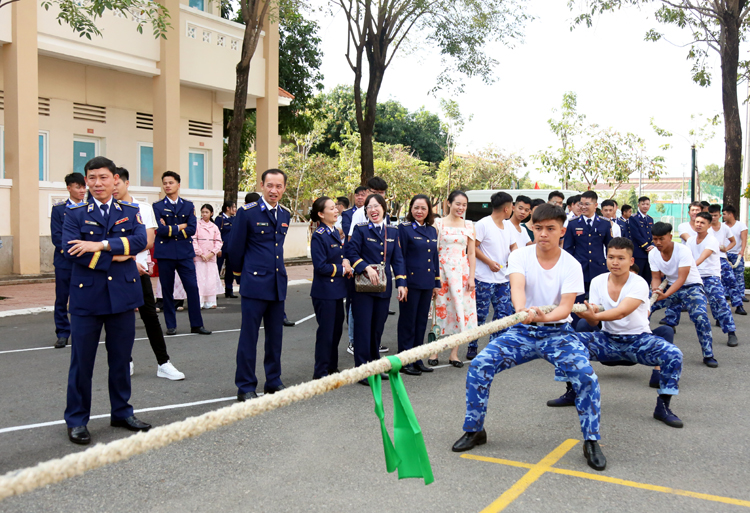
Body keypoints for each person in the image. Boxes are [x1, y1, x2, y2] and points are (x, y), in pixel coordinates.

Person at [452, 204, 606, 472]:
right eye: (538, 228)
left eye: (550, 229)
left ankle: (591, 440)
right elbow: (517, 289)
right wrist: (523, 312)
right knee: (480, 366)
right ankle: (475, 429)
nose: (543, 234)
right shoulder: (520, 256)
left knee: (586, 378)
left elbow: (565, 308)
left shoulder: (571, 264)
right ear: (531, 228)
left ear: (562, 231)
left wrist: (539, 317)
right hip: (522, 331)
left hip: (558, 333)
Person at [546, 238, 684, 428]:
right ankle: (572, 391)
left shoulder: (639, 283)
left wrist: (595, 314)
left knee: (673, 354)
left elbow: (622, 312)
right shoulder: (597, 281)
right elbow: (595, 321)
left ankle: (663, 408)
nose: (615, 262)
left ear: (631, 261)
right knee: (565, 342)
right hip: (607, 339)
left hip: (638, 340)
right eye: (611, 257)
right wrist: (587, 315)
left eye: (621, 258)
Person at [62, 157, 151, 445]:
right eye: (92, 178)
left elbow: (141, 241)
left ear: (116, 180)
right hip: (87, 298)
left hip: (122, 298)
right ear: (86, 181)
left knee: (121, 360)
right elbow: (72, 251)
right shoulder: (74, 214)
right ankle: (77, 420)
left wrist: (100, 245)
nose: (97, 183)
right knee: (82, 363)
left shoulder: (130, 209)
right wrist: (118, 254)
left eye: (103, 177)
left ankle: (122, 412)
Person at [112, 168, 185, 381]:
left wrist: (131, 258)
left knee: (150, 317)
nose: (114, 188)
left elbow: (148, 241)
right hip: (115, 271)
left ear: (126, 183)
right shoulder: (108, 210)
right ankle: (126, 360)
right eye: (111, 185)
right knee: (120, 319)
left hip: (140, 271)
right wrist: (129, 258)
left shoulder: (142, 208)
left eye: (118, 184)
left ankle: (164, 363)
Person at [229, 169, 292, 401]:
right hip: (254, 283)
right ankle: (245, 386)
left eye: (278, 186)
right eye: (269, 185)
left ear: (284, 188)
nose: (274, 190)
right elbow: (235, 248)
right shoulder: (247, 212)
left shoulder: (285, 214)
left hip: (277, 284)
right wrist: (239, 274)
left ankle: (273, 381)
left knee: (275, 338)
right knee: (249, 337)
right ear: (262, 186)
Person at [345, 193, 407, 386]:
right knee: (363, 329)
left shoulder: (392, 231)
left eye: (376, 206)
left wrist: (402, 283)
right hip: (363, 288)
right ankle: (362, 371)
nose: (373, 210)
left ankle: (375, 367)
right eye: (369, 207)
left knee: (376, 329)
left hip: (382, 288)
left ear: (383, 209)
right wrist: (365, 266)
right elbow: (350, 252)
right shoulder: (360, 230)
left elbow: (397, 259)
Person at [649, 222, 717, 367]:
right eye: (655, 239)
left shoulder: (683, 250)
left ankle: (708, 354)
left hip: (691, 286)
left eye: (661, 239)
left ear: (670, 236)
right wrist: (656, 291)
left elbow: (682, 278)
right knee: (643, 307)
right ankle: (637, 343)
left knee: (700, 317)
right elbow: (655, 277)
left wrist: (665, 295)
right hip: (670, 286)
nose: (658, 242)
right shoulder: (653, 253)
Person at [152, 171, 211, 336]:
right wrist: (180, 226)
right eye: (165, 183)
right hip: (165, 254)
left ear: (178, 184)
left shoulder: (188, 205)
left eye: (171, 182)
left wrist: (172, 228)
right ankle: (171, 325)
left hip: (185, 253)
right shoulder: (157, 206)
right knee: (167, 290)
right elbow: (161, 230)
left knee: (192, 288)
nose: (167, 186)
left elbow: (192, 229)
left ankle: (197, 324)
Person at [427, 190, 478, 367]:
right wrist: (433, 276)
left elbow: (471, 253)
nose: (461, 208)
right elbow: (432, 251)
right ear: (449, 203)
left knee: (460, 312)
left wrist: (471, 277)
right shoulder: (437, 223)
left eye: (464, 205)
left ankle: (454, 354)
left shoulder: (469, 225)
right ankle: (434, 351)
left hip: (462, 274)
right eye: (458, 204)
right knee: (440, 311)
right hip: (442, 272)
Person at [467, 192, 517, 361]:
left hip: (503, 279)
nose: (512, 210)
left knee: (503, 315)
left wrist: (513, 258)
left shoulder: (508, 226)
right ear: (506, 208)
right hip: (483, 279)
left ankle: (494, 348)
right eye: (512, 207)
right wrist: (489, 262)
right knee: (480, 315)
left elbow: (514, 246)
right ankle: (472, 345)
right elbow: (473, 248)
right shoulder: (483, 224)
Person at [397, 195, 441, 375]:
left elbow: (434, 258)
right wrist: (402, 282)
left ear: (429, 210)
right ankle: (405, 360)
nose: (419, 211)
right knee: (408, 322)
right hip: (411, 282)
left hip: (427, 282)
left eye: (423, 208)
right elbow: (401, 258)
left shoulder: (432, 230)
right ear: (410, 209)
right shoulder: (404, 228)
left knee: (421, 322)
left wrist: (436, 282)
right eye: (416, 208)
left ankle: (417, 358)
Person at [310, 196, 353, 379]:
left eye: (336, 207)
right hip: (324, 292)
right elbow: (320, 266)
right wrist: (342, 269)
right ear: (321, 214)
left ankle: (332, 366)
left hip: (336, 291)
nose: (336, 211)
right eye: (331, 208)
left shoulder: (335, 231)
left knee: (335, 331)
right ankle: (320, 371)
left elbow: (339, 255)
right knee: (326, 333)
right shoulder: (319, 235)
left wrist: (345, 260)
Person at [686, 212, 739, 347]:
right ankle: (670, 323)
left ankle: (731, 332)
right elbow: (686, 257)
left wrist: (688, 267)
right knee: (678, 299)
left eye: (702, 223)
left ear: (709, 225)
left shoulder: (712, 240)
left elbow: (701, 258)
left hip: (710, 277)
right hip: (695, 276)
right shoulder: (691, 240)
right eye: (697, 222)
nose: (699, 225)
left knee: (719, 302)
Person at [51, 172, 87, 348]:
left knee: (83, 297)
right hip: (65, 262)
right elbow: (57, 238)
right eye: (78, 187)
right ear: (69, 188)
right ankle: (63, 332)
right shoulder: (59, 210)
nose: (82, 190)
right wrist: (75, 251)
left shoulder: (89, 208)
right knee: (62, 298)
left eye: (83, 187)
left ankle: (83, 331)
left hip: (85, 261)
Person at [563, 190, 613, 300]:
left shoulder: (604, 223)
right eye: (581, 204)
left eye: (587, 204)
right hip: (579, 269)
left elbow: (611, 247)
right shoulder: (573, 223)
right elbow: (568, 249)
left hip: (599, 268)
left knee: (598, 302)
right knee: (578, 303)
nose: (583, 207)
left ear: (595, 205)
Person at [343, 187, 368, 355]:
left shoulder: (380, 213)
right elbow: (350, 239)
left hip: (374, 271)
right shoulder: (350, 214)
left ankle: (368, 342)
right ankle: (353, 341)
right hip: (357, 265)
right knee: (354, 304)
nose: (360, 197)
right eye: (357, 194)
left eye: (363, 194)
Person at [708, 204, 744, 314]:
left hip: (722, 259)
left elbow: (733, 241)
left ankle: (738, 305)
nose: (713, 218)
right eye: (711, 215)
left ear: (719, 215)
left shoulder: (725, 227)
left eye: (715, 215)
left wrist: (725, 249)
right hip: (708, 259)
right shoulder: (706, 227)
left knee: (731, 281)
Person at [193, 204, 224, 309]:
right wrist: (200, 253)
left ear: (211, 214)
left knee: (210, 280)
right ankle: (199, 301)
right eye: (202, 212)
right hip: (199, 258)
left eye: (206, 212)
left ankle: (210, 301)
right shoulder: (196, 225)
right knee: (199, 280)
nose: (204, 214)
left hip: (210, 258)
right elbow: (194, 240)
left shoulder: (214, 227)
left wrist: (211, 253)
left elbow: (219, 242)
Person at [723, 205, 748, 304]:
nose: (723, 216)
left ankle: (741, 294)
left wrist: (742, 251)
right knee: (725, 275)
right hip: (725, 254)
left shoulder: (741, 225)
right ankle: (726, 294)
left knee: (739, 275)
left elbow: (744, 239)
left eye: (724, 214)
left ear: (731, 214)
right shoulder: (722, 226)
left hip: (736, 254)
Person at [215, 200, 238, 299]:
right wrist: (217, 248)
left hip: (231, 248)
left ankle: (229, 290)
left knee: (230, 270)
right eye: (233, 207)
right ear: (228, 208)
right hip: (221, 248)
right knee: (217, 269)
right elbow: (215, 233)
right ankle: (214, 291)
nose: (235, 209)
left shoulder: (235, 219)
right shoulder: (220, 219)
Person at [629, 196, 655, 284]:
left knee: (647, 277)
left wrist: (652, 246)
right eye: (643, 204)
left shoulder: (650, 219)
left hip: (649, 254)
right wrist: (646, 247)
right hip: (639, 253)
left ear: (650, 206)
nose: (645, 206)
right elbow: (636, 235)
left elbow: (652, 235)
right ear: (638, 205)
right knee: (637, 276)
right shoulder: (633, 218)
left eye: (647, 204)